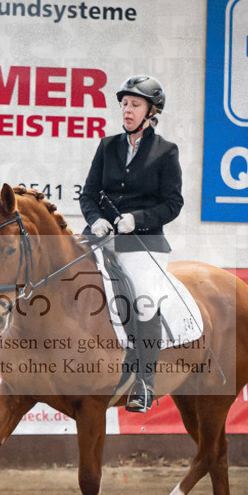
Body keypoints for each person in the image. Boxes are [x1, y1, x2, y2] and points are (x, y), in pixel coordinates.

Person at [80, 75, 184, 412]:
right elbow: (89, 194)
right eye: (124, 103)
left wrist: (136, 219)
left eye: (134, 104)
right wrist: (96, 218)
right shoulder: (107, 145)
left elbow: (173, 204)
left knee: (143, 301)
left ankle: (144, 383)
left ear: (151, 111)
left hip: (143, 243)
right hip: (100, 235)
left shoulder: (165, 152)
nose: (126, 109)